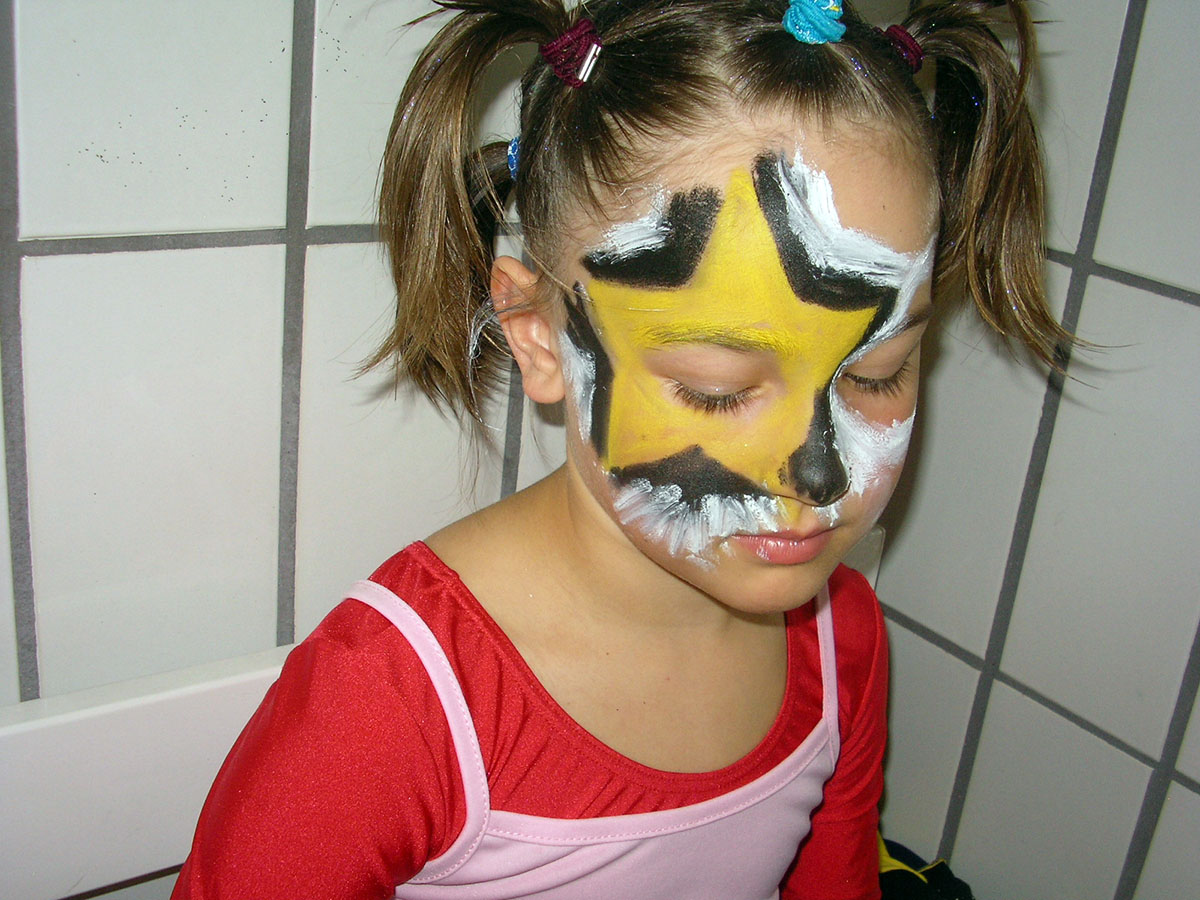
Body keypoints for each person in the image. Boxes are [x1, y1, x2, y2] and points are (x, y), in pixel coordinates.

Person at [172, 1, 1065, 897]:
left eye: (879, 373)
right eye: (717, 389)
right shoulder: (393, 704)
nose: (820, 472)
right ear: (538, 337)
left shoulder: (840, 639)